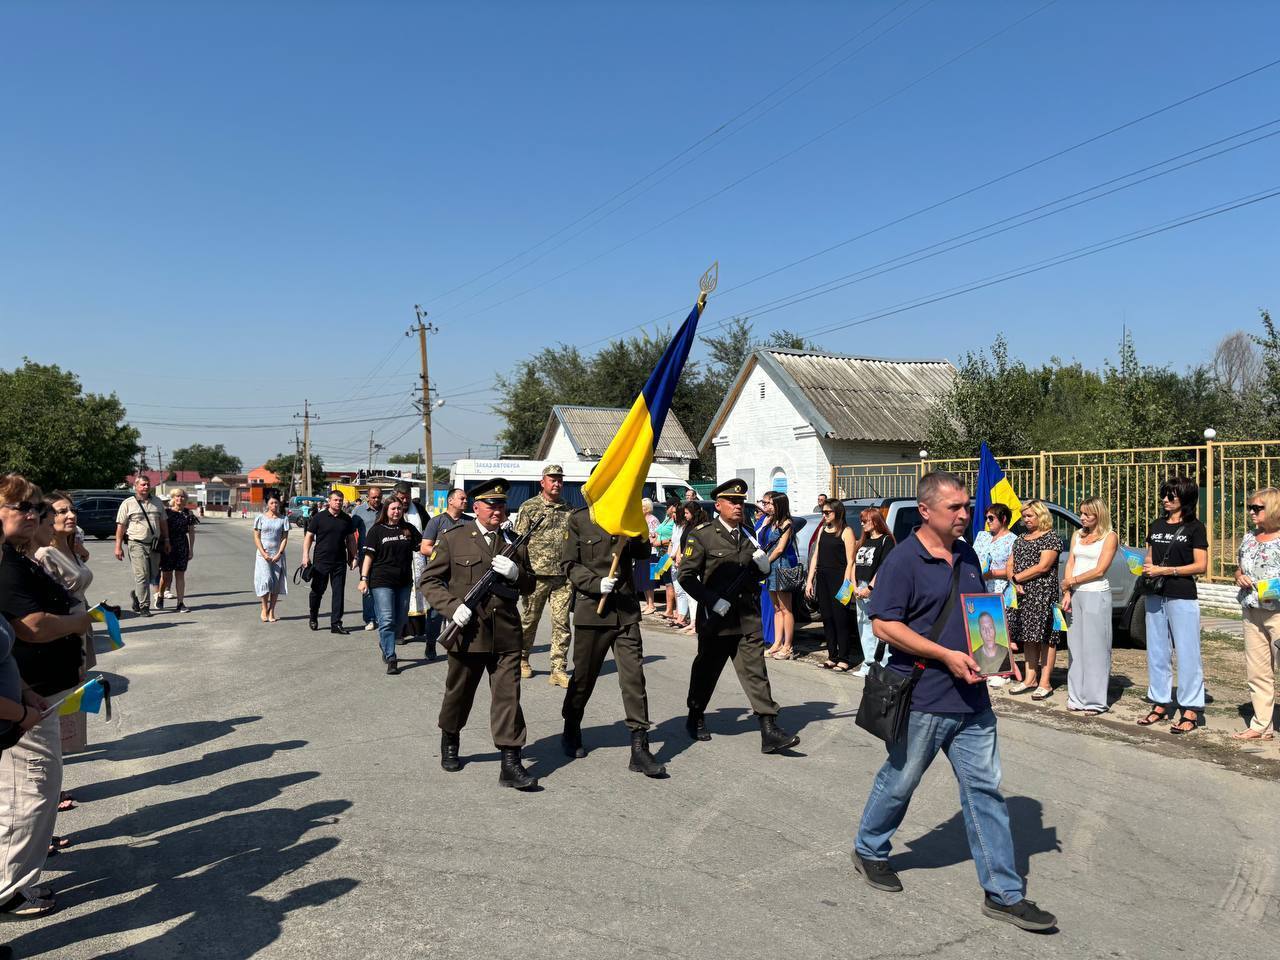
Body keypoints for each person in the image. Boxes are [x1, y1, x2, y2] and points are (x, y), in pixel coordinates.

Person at [852, 471, 1056, 932]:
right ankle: (869, 848)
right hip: (921, 694)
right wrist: (945, 654)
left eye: (967, 506)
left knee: (985, 790)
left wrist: (999, 654)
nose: (966, 515)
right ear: (925, 511)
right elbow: (885, 626)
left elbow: (980, 613)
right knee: (901, 780)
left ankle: (1004, 893)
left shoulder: (967, 554)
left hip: (972, 698)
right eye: (955, 508)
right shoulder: (904, 559)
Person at [0, 476, 88, 919]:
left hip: (30, 695)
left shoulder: (15, 559)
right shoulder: (6, 565)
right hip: (18, 710)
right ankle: (8, 889)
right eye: (24, 508)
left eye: (38, 507)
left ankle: (15, 879)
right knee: (28, 793)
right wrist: (78, 623)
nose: (35, 515)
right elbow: (31, 627)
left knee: (33, 791)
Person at [421, 478, 539, 790]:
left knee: (508, 698)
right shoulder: (454, 538)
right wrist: (450, 607)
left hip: (506, 634)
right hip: (469, 631)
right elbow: (429, 581)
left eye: (502, 504)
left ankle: (511, 762)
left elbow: (529, 585)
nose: (498, 510)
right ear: (476, 508)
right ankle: (450, 737)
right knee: (458, 693)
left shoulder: (514, 541)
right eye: (491, 504)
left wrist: (517, 573)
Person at [677, 479, 800, 754]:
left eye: (741, 502)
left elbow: (758, 570)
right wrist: (711, 600)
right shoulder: (703, 534)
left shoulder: (748, 533)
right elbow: (686, 576)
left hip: (746, 616)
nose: (738, 506)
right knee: (706, 671)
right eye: (732, 502)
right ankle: (695, 714)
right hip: (716, 619)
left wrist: (765, 567)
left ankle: (769, 730)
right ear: (718, 505)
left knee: (756, 672)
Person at [558, 506, 665, 776]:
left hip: (625, 611)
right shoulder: (580, 519)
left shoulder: (627, 517)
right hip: (592, 610)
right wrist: (595, 583)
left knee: (634, 678)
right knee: (583, 677)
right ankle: (571, 725)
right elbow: (569, 564)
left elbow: (642, 554)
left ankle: (639, 747)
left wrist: (638, 528)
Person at [1137, 476, 1209, 735]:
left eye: (1172, 496)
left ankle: (1191, 708)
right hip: (1155, 594)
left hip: (1182, 594)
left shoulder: (1195, 527)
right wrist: (1148, 567)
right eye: (1164, 495)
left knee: (1188, 651)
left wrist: (1167, 570)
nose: (1166, 500)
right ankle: (1160, 701)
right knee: (1157, 651)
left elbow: (1201, 565)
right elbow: (1149, 555)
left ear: (1185, 499)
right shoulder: (1157, 525)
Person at [34, 493, 95, 754]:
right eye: (61, 512)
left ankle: (64, 760)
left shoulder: (68, 546)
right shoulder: (45, 553)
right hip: (61, 636)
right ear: (46, 518)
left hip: (78, 631)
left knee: (72, 701)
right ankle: (54, 781)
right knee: (59, 706)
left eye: (72, 510)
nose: (70, 515)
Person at [513, 465, 573, 685]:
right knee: (529, 620)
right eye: (552, 479)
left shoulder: (569, 509)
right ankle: (522, 658)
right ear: (543, 482)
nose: (556, 483)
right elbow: (519, 543)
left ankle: (558, 669)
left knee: (562, 623)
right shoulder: (529, 508)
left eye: (559, 480)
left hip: (562, 577)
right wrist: (520, 574)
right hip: (535, 575)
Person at [1061, 498, 1118, 715]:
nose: (1082, 518)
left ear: (1099, 515)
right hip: (1075, 595)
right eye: (1081, 513)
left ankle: (1095, 701)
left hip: (1096, 594)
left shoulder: (1109, 537)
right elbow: (1071, 563)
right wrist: (1067, 591)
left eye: (1087, 514)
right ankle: (1076, 697)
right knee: (1076, 647)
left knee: (1096, 648)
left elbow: (1100, 570)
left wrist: (1072, 582)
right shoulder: (1078, 534)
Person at [1233, 487, 1280, 741]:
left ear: (1272, 508)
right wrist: (1239, 577)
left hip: (1278, 613)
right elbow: (1239, 569)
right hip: (1252, 610)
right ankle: (1261, 725)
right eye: (1249, 507)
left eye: (1257, 508)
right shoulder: (1249, 537)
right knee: (1258, 670)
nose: (1251, 512)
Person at [1006, 501, 1064, 699]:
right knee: (1028, 637)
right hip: (1023, 595)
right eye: (1024, 516)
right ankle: (1030, 679)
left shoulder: (1051, 538)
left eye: (1030, 515)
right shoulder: (1021, 538)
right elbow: (1010, 562)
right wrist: (1013, 581)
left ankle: (1045, 682)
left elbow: (1043, 566)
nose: (1026, 519)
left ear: (1041, 516)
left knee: (1047, 637)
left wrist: (1017, 578)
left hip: (1044, 594)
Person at [358, 497, 422, 676]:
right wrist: (363, 578)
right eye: (393, 508)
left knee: (400, 621)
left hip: (403, 581)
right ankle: (391, 656)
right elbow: (369, 557)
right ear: (386, 510)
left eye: (399, 508)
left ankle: (385, 641)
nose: (397, 511)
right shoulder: (376, 531)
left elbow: (423, 547)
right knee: (386, 619)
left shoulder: (408, 530)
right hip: (381, 581)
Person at [806, 499, 858, 672]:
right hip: (823, 577)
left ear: (838, 512)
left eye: (828, 512)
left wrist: (846, 584)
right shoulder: (822, 529)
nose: (824, 515)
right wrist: (809, 580)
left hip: (841, 578)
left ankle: (844, 657)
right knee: (827, 617)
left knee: (841, 618)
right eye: (823, 512)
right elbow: (816, 556)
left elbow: (851, 561)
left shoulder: (846, 531)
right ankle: (832, 655)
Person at [113, 474, 170, 616]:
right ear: (136, 487)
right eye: (143, 484)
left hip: (155, 545)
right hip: (136, 543)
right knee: (142, 575)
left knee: (153, 574)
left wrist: (167, 540)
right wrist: (118, 546)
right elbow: (121, 526)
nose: (146, 487)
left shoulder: (157, 502)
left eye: (147, 484)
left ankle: (137, 596)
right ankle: (144, 607)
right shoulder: (128, 503)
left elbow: (163, 523)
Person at [972, 504, 1016, 688]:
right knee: (980, 627)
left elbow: (1011, 570)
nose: (988, 522)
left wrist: (991, 573)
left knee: (999, 629)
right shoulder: (982, 536)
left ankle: (1003, 670)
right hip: (979, 586)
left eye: (992, 518)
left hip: (999, 587)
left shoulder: (1013, 540)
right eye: (987, 518)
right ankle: (983, 667)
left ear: (1003, 519)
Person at [301, 490, 357, 634]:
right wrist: (305, 556)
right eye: (335, 500)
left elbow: (350, 539)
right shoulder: (319, 518)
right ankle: (313, 616)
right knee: (317, 591)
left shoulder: (346, 519)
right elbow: (308, 537)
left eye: (340, 500)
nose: (338, 502)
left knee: (338, 592)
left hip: (339, 561)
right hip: (321, 561)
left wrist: (353, 557)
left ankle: (336, 623)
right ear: (329, 501)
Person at [852, 507, 896, 676]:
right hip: (860, 586)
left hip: (876, 588)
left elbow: (884, 568)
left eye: (865, 520)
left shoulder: (887, 541)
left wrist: (870, 588)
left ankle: (881, 665)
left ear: (876, 521)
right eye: (861, 520)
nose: (862, 524)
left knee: (878, 626)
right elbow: (854, 564)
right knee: (863, 625)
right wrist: (855, 586)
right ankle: (868, 663)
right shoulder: (863, 541)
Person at [760, 492, 798, 661]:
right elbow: (760, 539)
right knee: (776, 608)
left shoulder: (787, 523)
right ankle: (777, 642)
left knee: (785, 608)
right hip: (770, 568)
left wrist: (765, 562)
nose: (767, 507)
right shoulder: (771, 522)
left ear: (779, 505)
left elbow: (780, 548)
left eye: (770, 504)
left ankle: (788, 645)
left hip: (781, 567)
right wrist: (764, 526)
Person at [391, 482, 431, 643]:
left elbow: (429, 529)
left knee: (419, 593)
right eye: (402, 498)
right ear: (395, 496)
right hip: (397, 559)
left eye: (407, 498)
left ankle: (418, 630)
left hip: (418, 558)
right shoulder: (389, 509)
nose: (405, 501)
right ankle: (398, 632)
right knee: (401, 596)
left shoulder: (419, 509)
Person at [350, 486, 384, 631]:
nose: (376, 500)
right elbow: (350, 533)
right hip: (365, 555)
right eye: (373, 497)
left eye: (378, 497)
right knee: (367, 586)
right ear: (368, 497)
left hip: (384, 555)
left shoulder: (386, 509)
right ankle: (370, 618)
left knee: (383, 587)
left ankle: (382, 617)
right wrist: (353, 555)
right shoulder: (359, 511)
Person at [158, 487, 197, 612]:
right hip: (168, 546)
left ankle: (180, 603)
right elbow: (162, 530)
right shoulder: (167, 512)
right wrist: (164, 542)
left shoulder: (188, 513)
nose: (180, 498)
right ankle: (160, 595)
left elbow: (191, 532)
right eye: (177, 496)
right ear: (173, 498)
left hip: (182, 545)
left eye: (182, 496)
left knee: (180, 574)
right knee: (166, 575)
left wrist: (191, 549)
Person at [253, 495, 290, 623]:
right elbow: (256, 537)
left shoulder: (283, 519)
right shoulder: (260, 518)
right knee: (266, 580)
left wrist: (279, 553)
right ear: (267, 504)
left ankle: (272, 610)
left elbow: (285, 537)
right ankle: (264, 607)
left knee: (275, 582)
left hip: (277, 554)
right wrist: (263, 553)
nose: (274, 505)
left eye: (276, 503)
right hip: (263, 554)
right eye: (272, 503)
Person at [673, 502, 705, 635]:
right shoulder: (688, 525)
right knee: (688, 595)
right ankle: (692, 621)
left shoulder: (699, 527)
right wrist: (679, 556)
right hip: (685, 561)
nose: (685, 515)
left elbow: (694, 545)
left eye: (687, 513)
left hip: (694, 564)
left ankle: (697, 623)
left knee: (694, 596)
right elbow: (682, 541)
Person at [637, 498, 659, 615]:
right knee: (643, 578)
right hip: (642, 551)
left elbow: (656, 536)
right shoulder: (642, 519)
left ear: (647, 508)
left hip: (652, 552)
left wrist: (646, 539)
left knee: (650, 579)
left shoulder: (653, 520)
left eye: (642, 507)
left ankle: (652, 604)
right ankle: (647, 603)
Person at [657, 504, 677, 622]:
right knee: (665, 581)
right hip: (662, 554)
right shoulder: (666, 518)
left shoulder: (675, 522)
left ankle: (673, 610)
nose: (667, 508)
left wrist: (660, 541)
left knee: (671, 582)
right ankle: (669, 610)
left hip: (669, 554)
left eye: (669, 506)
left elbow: (673, 539)